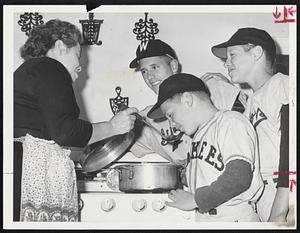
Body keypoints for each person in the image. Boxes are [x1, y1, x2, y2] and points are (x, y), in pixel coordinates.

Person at [14, 19, 137, 221]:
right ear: (61, 46)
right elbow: (66, 132)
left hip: (22, 170)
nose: (80, 67)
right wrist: (112, 127)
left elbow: (51, 130)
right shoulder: (51, 67)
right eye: (77, 55)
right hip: (33, 172)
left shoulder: (29, 71)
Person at [147, 73, 264, 222]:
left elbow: (238, 177)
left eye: (170, 115)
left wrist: (195, 200)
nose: (171, 124)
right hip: (208, 218)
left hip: (234, 218)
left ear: (188, 100)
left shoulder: (230, 121)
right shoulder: (198, 136)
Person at [211, 27, 289, 222]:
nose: (226, 63)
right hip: (263, 194)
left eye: (232, 55)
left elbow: (292, 150)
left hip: (283, 193)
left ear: (256, 53)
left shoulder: (283, 86)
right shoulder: (252, 101)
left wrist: (278, 215)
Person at [129, 39, 244, 165]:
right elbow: (114, 146)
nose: (149, 77)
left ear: (173, 66)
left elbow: (249, 130)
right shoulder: (149, 119)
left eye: (155, 67)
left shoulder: (212, 89)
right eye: (144, 71)